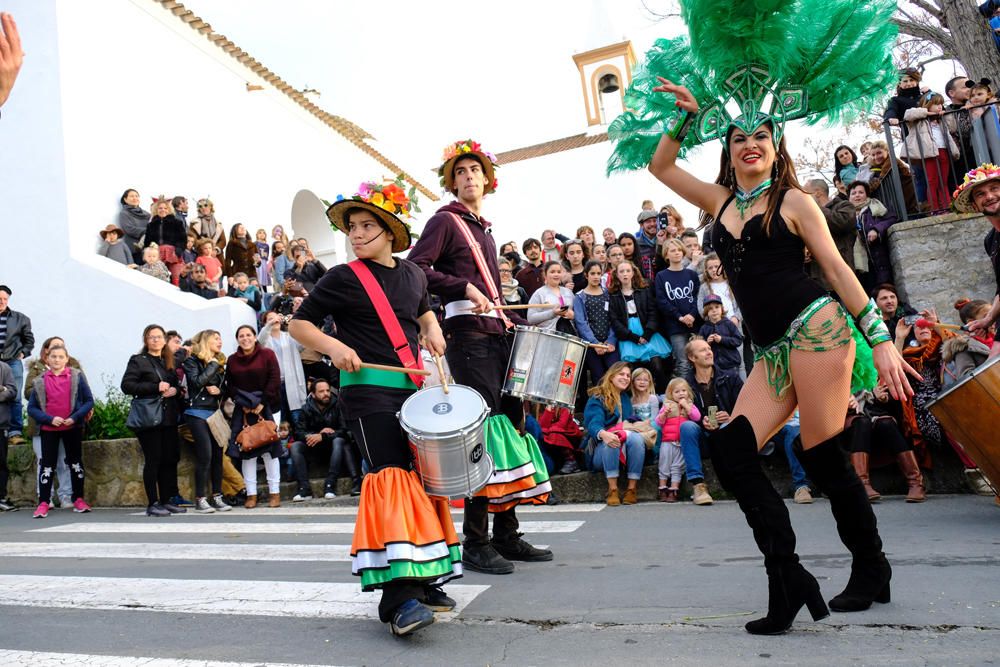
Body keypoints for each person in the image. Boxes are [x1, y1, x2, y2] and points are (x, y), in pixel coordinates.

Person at [614, 2, 912, 631]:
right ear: (730, 149)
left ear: (776, 150)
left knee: (823, 451)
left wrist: (879, 338)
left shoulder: (796, 200)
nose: (751, 145)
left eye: (762, 138)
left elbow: (836, 271)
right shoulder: (719, 201)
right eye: (740, 138)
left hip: (821, 330)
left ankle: (872, 568)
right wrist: (685, 116)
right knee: (731, 451)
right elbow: (661, 167)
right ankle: (789, 576)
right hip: (773, 348)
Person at [289, 176, 460, 636]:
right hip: (365, 392)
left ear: (390, 232)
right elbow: (298, 325)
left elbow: (421, 309)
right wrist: (332, 346)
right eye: (353, 228)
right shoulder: (342, 277)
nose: (357, 234)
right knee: (392, 479)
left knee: (423, 482)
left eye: (368, 226)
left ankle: (425, 578)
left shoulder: (412, 274)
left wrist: (433, 328)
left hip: (411, 390)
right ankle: (397, 598)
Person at [407, 139, 552, 576]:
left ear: (487, 179)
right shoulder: (446, 221)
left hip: (496, 333)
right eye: (461, 173)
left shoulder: (481, 228)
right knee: (481, 433)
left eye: (475, 171)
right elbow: (417, 268)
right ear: (452, 183)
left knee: (512, 426)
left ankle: (507, 532)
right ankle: (476, 540)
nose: (469, 177)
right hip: (468, 335)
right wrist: (465, 289)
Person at [121, 325, 186, 517]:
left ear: (165, 340)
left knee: (169, 459)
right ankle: (153, 502)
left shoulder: (169, 360)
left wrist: (175, 390)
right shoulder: (138, 361)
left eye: (159, 337)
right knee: (154, 459)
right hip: (149, 419)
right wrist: (155, 386)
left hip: (168, 417)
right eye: (151, 337)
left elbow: (173, 384)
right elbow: (127, 385)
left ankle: (167, 500)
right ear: (146, 340)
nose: (156, 340)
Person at [26, 344, 94, 518]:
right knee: (47, 465)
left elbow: (88, 401)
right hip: (50, 429)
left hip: (72, 427)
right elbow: (32, 408)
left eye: (60, 357)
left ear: (67, 359)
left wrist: (75, 417)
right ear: (47, 359)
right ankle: (43, 502)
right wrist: (49, 419)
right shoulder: (40, 380)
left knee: (75, 463)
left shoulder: (76, 377)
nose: (57, 360)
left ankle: (78, 499)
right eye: (53, 356)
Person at [225, 324, 283, 509]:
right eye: (241, 336)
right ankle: (251, 494)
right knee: (247, 452)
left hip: (267, 407)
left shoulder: (267, 355)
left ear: (254, 336)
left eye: (248, 335)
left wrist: (261, 403)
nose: (245, 338)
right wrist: (244, 404)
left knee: (269, 451)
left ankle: (275, 493)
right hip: (243, 411)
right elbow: (230, 385)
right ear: (237, 339)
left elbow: (274, 378)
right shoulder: (232, 360)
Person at [180, 330, 232, 513]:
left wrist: (220, 391)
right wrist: (212, 365)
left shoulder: (219, 363)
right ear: (205, 341)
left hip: (214, 412)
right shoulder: (192, 360)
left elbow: (225, 387)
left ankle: (217, 496)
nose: (220, 341)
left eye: (220, 338)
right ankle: (200, 498)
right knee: (205, 455)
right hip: (196, 412)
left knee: (218, 455)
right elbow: (196, 382)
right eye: (215, 338)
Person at [845, 385, 925, 503]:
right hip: (847, 419)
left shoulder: (879, 368)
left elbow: (896, 400)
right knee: (862, 423)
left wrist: (882, 398)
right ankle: (862, 484)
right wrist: (844, 401)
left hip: (875, 414)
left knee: (886, 424)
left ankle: (916, 482)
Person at [953, 163, 1000, 359]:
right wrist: (987, 320)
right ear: (974, 205)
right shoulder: (990, 240)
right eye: (980, 194)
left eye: (994, 189)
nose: (988, 196)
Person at [583, 362, 646, 506]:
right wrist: (603, 434)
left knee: (636, 439)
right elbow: (593, 423)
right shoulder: (598, 396)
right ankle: (612, 489)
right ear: (611, 376)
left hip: (625, 447)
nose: (625, 378)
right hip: (601, 451)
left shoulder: (624, 398)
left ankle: (631, 489)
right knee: (612, 440)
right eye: (621, 374)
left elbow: (628, 423)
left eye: (628, 375)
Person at [289, 378, 361, 500]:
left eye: (327, 390)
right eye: (321, 391)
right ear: (313, 394)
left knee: (339, 441)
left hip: (335, 449)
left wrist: (323, 436)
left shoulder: (338, 405)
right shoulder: (305, 409)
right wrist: (314, 435)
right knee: (296, 446)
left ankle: (330, 485)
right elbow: (298, 433)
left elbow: (345, 431)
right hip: (314, 450)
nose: (326, 394)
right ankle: (304, 489)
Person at [608, 260, 672, 383]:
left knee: (657, 366)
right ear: (617, 275)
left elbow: (653, 312)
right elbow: (614, 320)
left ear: (633, 273)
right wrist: (632, 337)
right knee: (634, 371)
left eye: (628, 271)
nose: (625, 274)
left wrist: (647, 333)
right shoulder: (613, 296)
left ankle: (661, 395)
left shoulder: (644, 291)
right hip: (629, 336)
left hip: (647, 332)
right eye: (621, 271)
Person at [902, 93, 960, 211]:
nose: (939, 107)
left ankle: (947, 207)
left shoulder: (941, 120)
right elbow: (908, 114)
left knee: (943, 181)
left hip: (944, 150)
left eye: (941, 104)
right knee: (932, 181)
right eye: (936, 104)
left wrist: (945, 115)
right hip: (929, 153)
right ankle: (935, 209)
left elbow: (953, 127)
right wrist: (927, 113)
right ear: (928, 105)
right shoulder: (919, 121)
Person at [654, 238, 700, 378]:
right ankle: (684, 396)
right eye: (673, 250)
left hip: (695, 324)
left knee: (698, 360)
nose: (677, 253)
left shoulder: (691, 274)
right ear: (666, 255)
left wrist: (692, 315)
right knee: (683, 362)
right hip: (675, 326)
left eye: (679, 250)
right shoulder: (661, 276)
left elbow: (698, 297)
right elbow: (662, 301)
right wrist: (680, 317)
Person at [803, 179, 857, 292]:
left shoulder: (844, 205)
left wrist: (816, 209)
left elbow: (843, 223)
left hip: (840, 278)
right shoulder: (807, 215)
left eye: (806, 193)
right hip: (814, 278)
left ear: (817, 192)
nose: (804, 197)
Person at [574, 260, 620, 388]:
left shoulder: (608, 293)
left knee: (614, 374)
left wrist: (611, 340)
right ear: (586, 275)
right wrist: (595, 343)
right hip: (592, 345)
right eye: (592, 273)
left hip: (609, 343)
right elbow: (581, 323)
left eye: (598, 273)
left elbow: (614, 319)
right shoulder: (579, 297)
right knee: (598, 378)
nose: (596, 276)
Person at [258, 311, 308, 426]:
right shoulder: (265, 340)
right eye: (270, 319)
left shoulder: (289, 336)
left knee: (297, 417)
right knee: (280, 419)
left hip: (292, 383)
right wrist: (270, 324)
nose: (275, 320)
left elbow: (303, 344)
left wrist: (294, 325)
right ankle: (283, 442)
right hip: (275, 385)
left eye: (276, 317)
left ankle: (299, 441)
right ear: (265, 323)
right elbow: (260, 342)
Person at [655, 377, 700, 502]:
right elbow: (658, 422)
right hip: (667, 441)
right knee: (664, 464)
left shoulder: (690, 404)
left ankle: (674, 489)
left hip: (681, 443)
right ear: (671, 394)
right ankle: (662, 487)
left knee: (677, 466)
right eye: (677, 391)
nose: (681, 393)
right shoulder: (667, 405)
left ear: (688, 392)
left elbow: (697, 417)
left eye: (683, 390)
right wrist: (664, 414)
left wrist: (686, 406)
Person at [848, 181, 897, 293]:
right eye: (853, 193)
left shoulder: (875, 207)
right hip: (859, 265)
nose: (857, 195)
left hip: (878, 259)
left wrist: (876, 229)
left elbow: (892, 218)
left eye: (861, 192)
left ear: (867, 194)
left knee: (885, 292)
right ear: (849, 197)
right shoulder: (845, 214)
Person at [0, 284, 33, 446]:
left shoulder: (20, 319)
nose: (2, 301)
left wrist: (23, 353)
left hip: (12, 361)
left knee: (15, 396)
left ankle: (14, 433)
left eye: (5, 299)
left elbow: (29, 340)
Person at [698, 294, 744, 376]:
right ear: (706, 312)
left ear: (722, 309)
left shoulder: (729, 324)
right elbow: (698, 347)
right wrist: (707, 343)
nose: (714, 310)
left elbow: (738, 340)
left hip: (731, 365)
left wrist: (722, 339)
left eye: (717, 307)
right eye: (710, 309)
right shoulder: (704, 328)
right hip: (714, 367)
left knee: (735, 386)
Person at [145, 198, 187, 283]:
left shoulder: (177, 222)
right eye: (160, 208)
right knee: (159, 277)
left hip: (173, 253)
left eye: (165, 208)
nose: (163, 210)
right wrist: (150, 250)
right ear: (156, 210)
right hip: (157, 254)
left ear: (169, 209)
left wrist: (178, 251)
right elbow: (147, 241)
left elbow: (182, 239)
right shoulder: (151, 225)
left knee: (177, 276)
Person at [527, 261, 576, 332]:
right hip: (547, 335)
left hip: (568, 335)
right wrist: (553, 313)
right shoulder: (539, 293)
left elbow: (579, 314)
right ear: (545, 275)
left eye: (559, 272)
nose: (556, 275)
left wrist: (573, 316)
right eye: (552, 272)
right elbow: (531, 318)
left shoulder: (568, 292)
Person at [118, 189, 151, 263]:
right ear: (125, 199)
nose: (135, 198)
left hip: (150, 250)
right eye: (132, 196)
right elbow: (129, 229)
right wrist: (148, 230)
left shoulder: (147, 214)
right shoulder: (124, 213)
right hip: (135, 250)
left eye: (136, 196)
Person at [0, 359, 16, 512]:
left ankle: (1, 498)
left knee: (1, 462)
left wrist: (2, 390)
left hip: (0, 424)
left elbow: (12, 391)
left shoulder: (4, 368)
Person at [635, 210, 665, 282]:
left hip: (664, 282)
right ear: (641, 225)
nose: (652, 224)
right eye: (648, 221)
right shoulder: (636, 244)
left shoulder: (665, 240)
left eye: (654, 221)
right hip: (645, 285)